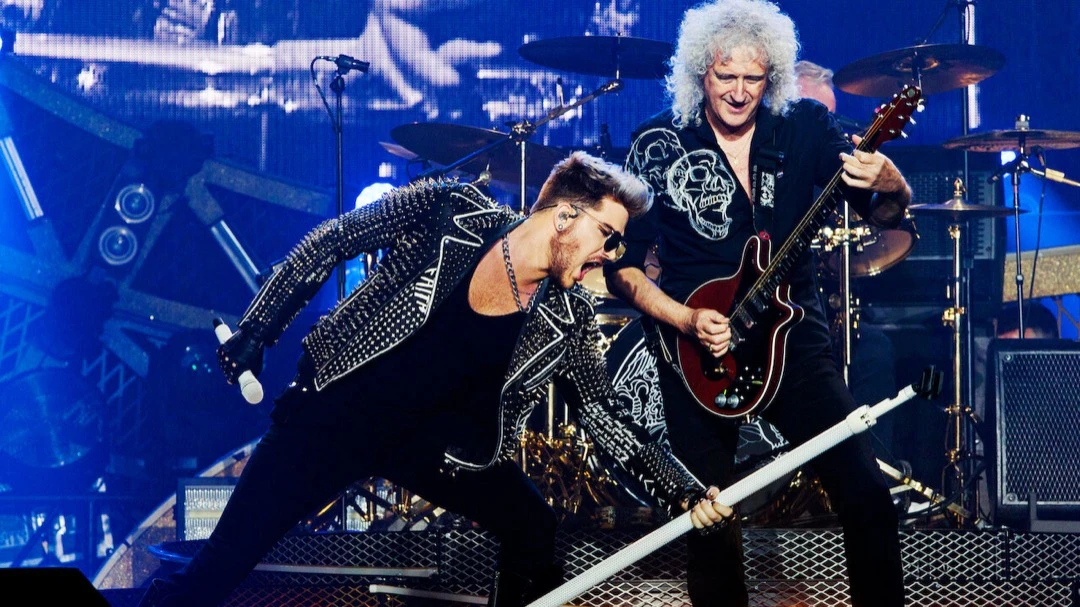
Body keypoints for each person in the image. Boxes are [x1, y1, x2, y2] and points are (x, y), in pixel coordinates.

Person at [136, 151, 731, 607]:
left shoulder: (565, 314)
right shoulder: (451, 210)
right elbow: (333, 241)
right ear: (566, 215)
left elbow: (606, 417)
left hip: (437, 451)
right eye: (609, 237)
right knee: (220, 566)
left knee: (532, 526)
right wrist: (258, 327)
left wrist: (685, 493)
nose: (612, 254)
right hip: (337, 412)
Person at [605, 1, 913, 606]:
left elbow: (884, 212)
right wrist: (685, 318)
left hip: (793, 338)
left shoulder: (804, 127)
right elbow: (623, 269)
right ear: (701, 72)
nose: (740, 92)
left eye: (754, 77)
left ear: (771, 76)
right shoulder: (656, 143)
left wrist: (892, 183)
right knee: (712, 520)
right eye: (726, 76)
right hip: (696, 349)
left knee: (866, 494)